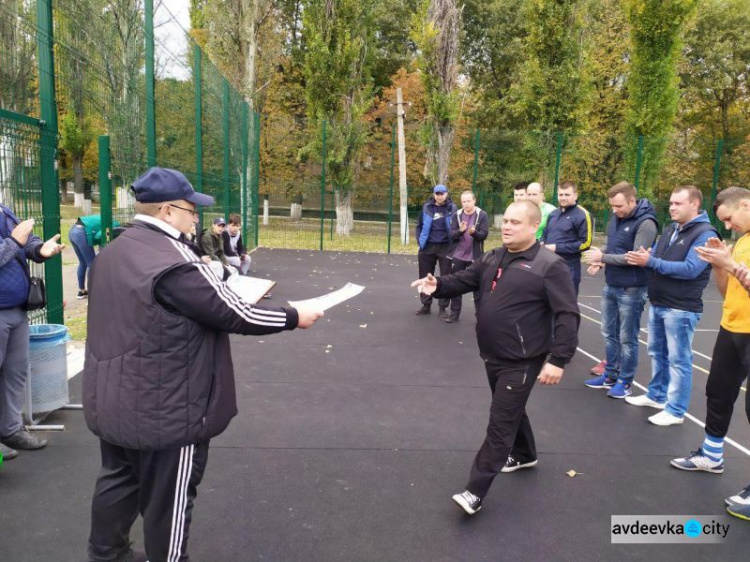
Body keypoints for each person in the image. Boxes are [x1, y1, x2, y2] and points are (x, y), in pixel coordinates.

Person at [82, 167, 324, 562]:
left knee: (119, 479)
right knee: (171, 504)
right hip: (168, 410)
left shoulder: (115, 250)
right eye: (190, 210)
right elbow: (234, 313)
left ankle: (105, 554)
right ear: (166, 211)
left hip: (114, 399)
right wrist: (293, 315)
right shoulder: (171, 259)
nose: (196, 217)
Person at [412, 201, 579, 515]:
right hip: (492, 354)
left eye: (515, 222)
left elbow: (567, 314)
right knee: (512, 409)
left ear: (533, 227)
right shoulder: (493, 256)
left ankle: (475, 490)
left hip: (523, 359)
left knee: (500, 423)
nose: (507, 226)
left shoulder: (549, 265)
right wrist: (438, 286)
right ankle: (526, 454)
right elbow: (464, 280)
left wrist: (559, 359)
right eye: (506, 221)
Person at [667, 186, 750, 522]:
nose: (729, 227)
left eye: (729, 219)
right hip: (733, 328)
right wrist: (720, 265)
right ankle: (711, 455)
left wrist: (731, 262)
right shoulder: (743, 240)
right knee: (717, 392)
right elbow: (726, 289)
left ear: (745, 204)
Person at [624, 186, 718, 426]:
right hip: (658, 301)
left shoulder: (705, 234)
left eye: (678, 203)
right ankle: (657, 396)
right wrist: (648, 255)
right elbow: (656, 255)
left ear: (694, 204)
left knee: (679, 360)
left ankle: (676, 410)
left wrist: (651, 261)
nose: (672, 207)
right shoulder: (671, 228)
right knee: (657, 353)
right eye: (671, 203)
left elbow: (690, 269)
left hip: (681, 307)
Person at [0, 205, 65, 461]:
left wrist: (39, 249)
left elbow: (25, 241)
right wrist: (15, 240)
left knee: (15, 373)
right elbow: (16, 240)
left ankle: (11, 430)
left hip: (16, 309)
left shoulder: (3, 208)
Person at [583, 181, 658, 399]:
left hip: (632, 289)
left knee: (628, 338)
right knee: (609, 333)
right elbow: (614, 245)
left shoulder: (646, 223)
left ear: (632, 200)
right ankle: (610, 375)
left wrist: (603, 257)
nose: (614, 211)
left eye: (618, 206)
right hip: (612, 284)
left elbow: (635, 257)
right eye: (612, 207)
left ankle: (625, 381)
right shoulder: (616, 219)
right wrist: (601, 257)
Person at [540, 180, 592, 295]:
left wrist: (557, 248)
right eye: (560, 194)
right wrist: (542, 242)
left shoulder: (583, 214)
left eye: (567, 195)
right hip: (548, 265)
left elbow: (586, 243)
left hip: (569, 267)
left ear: (575, 195)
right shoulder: (553, 213)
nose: (563, 198)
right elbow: (545, 232)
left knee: (567, 305)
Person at [445, 190, 489, 323]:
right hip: (458, 256)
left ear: (474, 200)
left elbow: (484, 235)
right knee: (455, 284)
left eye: (468, 201)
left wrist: (473, 233)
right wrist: (461, 231)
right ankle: (454, 314)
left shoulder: (482, 215)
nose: (466, 204)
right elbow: (452, 235)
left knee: (477, 287)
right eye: (464, 201)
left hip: (474, 257)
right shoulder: (457, 214)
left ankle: (480, 316)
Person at [415, 184, 456, 317]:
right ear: (434, 195)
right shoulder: (427, 207)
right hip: (427, 247)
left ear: (446, 194)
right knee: (425, 276)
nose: (439, 196)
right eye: (437, 194)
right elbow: (419, 226)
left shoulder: (452, 208)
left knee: (445, 278)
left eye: (442, 193)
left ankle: (443, 308)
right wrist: (420, 241)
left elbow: (457, 227)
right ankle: (426, 305)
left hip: (446, 247)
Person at [69, 214, 120, 299]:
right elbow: (102, 237)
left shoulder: (107, 220)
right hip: (82, 233)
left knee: (82, 262)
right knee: (91, 263)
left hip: (73, 231)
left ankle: (82, 291)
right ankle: (93, 292)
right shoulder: (114, 226)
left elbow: (101, 237)